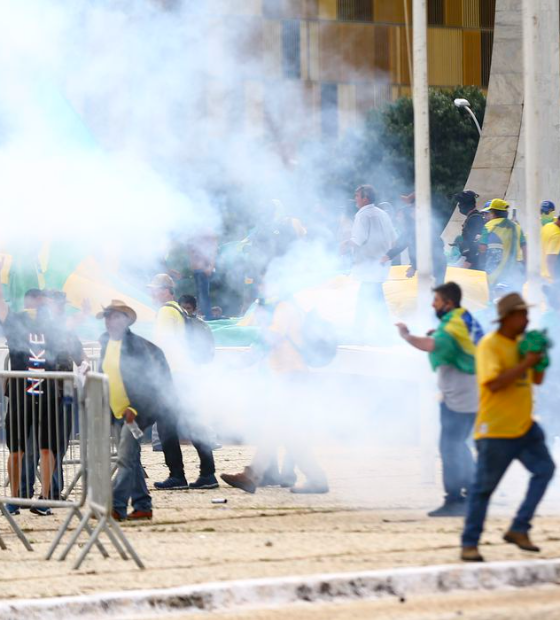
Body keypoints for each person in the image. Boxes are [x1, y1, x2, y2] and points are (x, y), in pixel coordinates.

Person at [460, 293, 555, 562]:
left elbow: (535, 380)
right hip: (497, 430)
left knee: (545, 470)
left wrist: (540, 360)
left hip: (525, 426)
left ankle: (519, 527)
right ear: (508, 318)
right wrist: (526, 361)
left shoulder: (523, 344)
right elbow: (493, 383)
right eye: (522, 314)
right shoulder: (491, 345)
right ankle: (469, 544)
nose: (526, 319)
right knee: (483, 490)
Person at [220, 297, 329, 495]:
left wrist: (238, 363)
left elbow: (270, 340)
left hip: (292, 378)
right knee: (284, 431)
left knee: (277, 427)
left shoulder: (284, 307)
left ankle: (252, 475)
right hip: (290, 378)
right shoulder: (288, 306)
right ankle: (314, 478)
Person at [396, 282, 483, 517]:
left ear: (448, 302)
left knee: (450, 447)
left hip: (460, 394)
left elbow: (431, 345)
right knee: (458, 444)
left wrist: (406, 336)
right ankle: (476, 492)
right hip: (469, 391)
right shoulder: (462, 318)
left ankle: (455, 500)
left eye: (436, 300)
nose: (433, 304)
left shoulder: (453, 324)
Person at [98, 300, 181, 520]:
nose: (109, 321)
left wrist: (134, 408)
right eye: (107, 316)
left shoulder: (137, 346)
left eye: (114, 316)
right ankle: (143, 506)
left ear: (125, 320)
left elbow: (146, 382)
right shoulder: (105, 343)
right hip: (115, 412)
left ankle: (116, 507)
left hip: (134, 413)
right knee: (131, 460)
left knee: (125, 460)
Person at [148, 273, 218, 490]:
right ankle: (208, 473)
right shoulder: (179, 311)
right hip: (186, 373)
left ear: (165, 291)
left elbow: (162, 347)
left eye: (154, 288)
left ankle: (177, 475)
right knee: (193, 422)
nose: (151, 292)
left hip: (174, 374)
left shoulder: (165, 312)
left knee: (167, 426)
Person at [341, 185, 397, 341]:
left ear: (365, 198)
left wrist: (344, 245)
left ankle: (363, 334)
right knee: (371, 299)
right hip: (381, 264)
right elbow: (394, 239)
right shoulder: (383, 214)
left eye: (357, 196)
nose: (355, 200)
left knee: (367, 300)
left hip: (368, 265)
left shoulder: (362, 215)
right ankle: (379, 334)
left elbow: (358, 240)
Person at [382, 192, 447, 285]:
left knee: (435, 292)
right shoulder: (413, 228)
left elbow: (426, 250)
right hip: (432, 263)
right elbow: (402, 244)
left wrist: (414, 266)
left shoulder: (421, 227)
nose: (399, 219)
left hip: (435, 264)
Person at [479, 199, 526, 295]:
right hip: (514, 270)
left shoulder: (488, 226)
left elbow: (482, 248)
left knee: (495, 299)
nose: (486, 216)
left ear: (493, 213)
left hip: (495, 271)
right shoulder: (517, 226)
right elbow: (525, 248)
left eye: (488, 213)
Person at [454, 190, 484, 270]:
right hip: (471, 261)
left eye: (461, 203)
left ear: (465, 204)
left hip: (474, 264)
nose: (459, 206)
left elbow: (476, 244)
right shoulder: (473, 218)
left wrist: (467, 263)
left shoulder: (475, 219)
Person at [541, 213, 560, 282]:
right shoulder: (557, 235)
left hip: (540, 274)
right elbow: (550, 260)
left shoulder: (547, 226)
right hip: (548, 278)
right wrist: (554, 281)